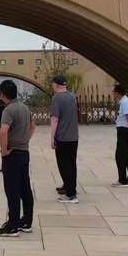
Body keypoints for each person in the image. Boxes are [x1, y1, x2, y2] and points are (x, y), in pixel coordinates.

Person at [0, 80, 35, 237]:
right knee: (25, 188)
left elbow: (3, 131)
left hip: (12, 154)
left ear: (2, 94)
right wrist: (25, 140)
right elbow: (33, 125)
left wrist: (4, 151)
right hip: (24, 152)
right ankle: (26, 221)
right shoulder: (24, 107)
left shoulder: (8, 110)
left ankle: (12, 226)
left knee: (12, 190)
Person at [49, 75, 79, 204]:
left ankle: (70, 194)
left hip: (62, 137)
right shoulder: (72, 96)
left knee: (64, 165)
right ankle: (68, 186)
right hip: (73, 137)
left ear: (55, 85)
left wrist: (52, 138)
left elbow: (55, 119)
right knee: (71, 164)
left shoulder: (57, 98)